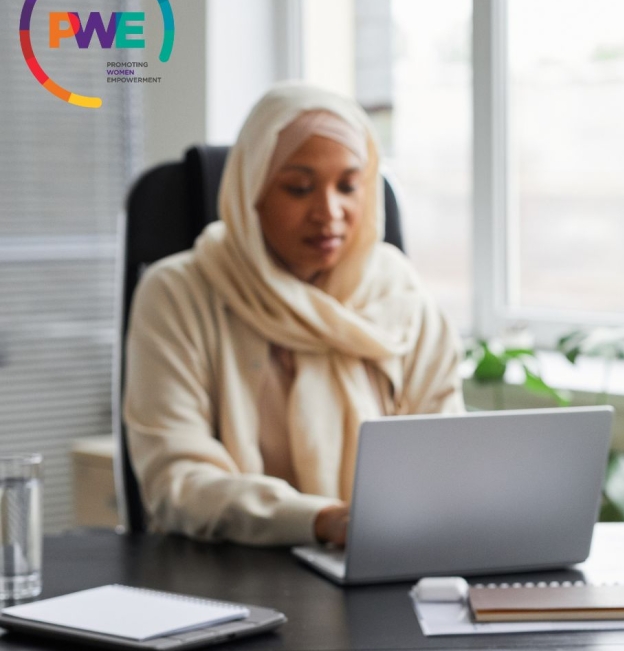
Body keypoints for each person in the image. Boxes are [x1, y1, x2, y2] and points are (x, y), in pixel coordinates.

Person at [123, 82, 464, 547]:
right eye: (299, 188)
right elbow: (177, 481)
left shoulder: (400, 297)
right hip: (229, 577)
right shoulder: (177, 294)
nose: (329, 213)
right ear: (252, 192)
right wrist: (321, 520)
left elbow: (448, 455)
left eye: (349, 186)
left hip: (382, 565)